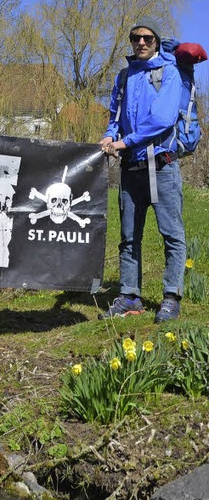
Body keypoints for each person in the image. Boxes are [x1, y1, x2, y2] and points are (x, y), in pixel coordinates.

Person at [99, 18, 185, 323]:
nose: (141, 43)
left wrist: (125, 142)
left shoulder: (169, 73)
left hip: (162, 165)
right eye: (136, 38)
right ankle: (130, 296)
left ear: (157, 41)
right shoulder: (124, 77)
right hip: (131, 167)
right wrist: (111, 135)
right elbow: (115, 115)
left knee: (171, 234)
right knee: (128, 236)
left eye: (147, 38)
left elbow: (162, 120)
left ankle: (171, 297)